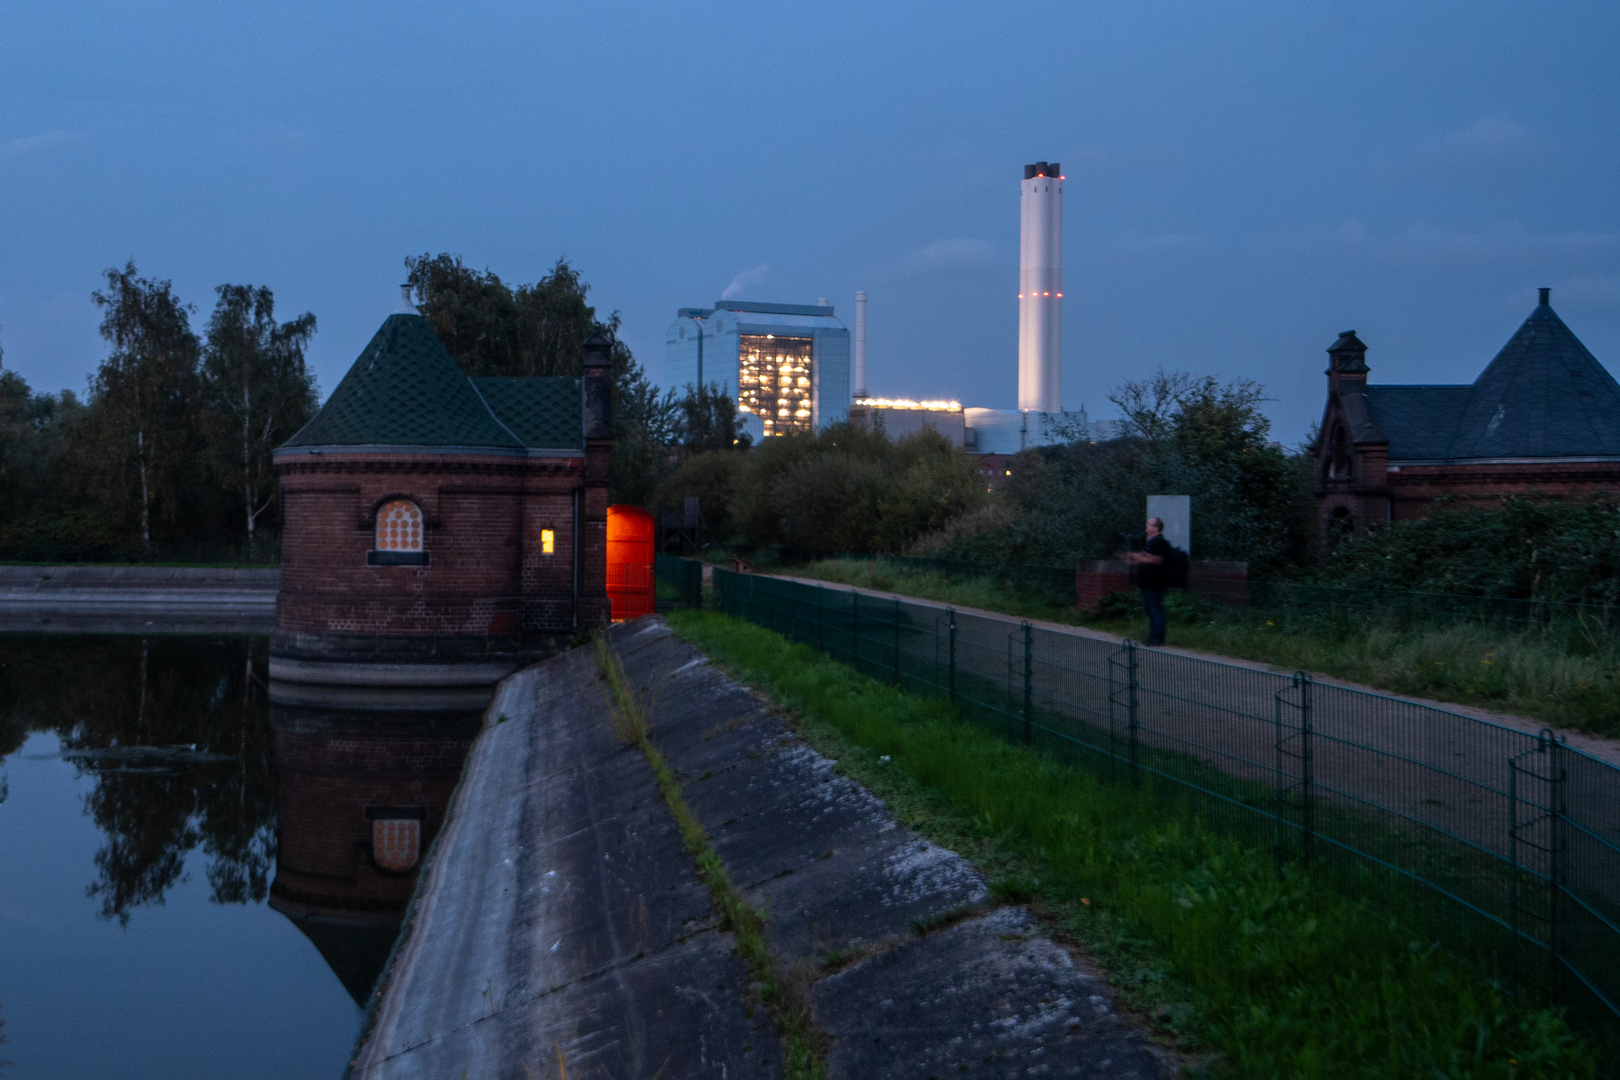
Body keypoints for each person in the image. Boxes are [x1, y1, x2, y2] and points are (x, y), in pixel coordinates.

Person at [1125, 516, 1172, 646]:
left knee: (1155, 610)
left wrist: (1137, 558)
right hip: (1148, 583)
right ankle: (1153, 636)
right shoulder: (1151, 543)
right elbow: (1146, 556)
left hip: (1154, 583)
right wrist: (1135, 557)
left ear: (1156, 527)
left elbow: (1156, 559)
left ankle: (1158, 638)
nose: (1146, 526)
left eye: (1149, 524)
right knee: (1150, 610)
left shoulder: (1159, 543)